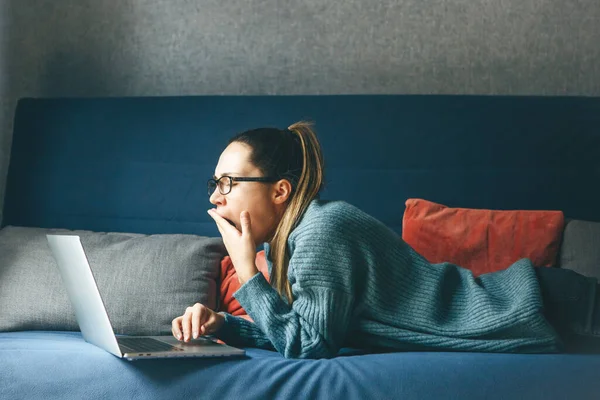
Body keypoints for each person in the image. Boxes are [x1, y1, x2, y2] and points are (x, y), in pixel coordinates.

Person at [171, 121, 600, 359]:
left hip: (542, 305)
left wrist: (247, 272)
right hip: (538, 306)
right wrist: (224, 324)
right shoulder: (287, 242)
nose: (214, 196)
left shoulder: (321, 230)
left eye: (228, 182)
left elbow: (309, 347)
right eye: (214, 183)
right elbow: (308, 331)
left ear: (280, 191)